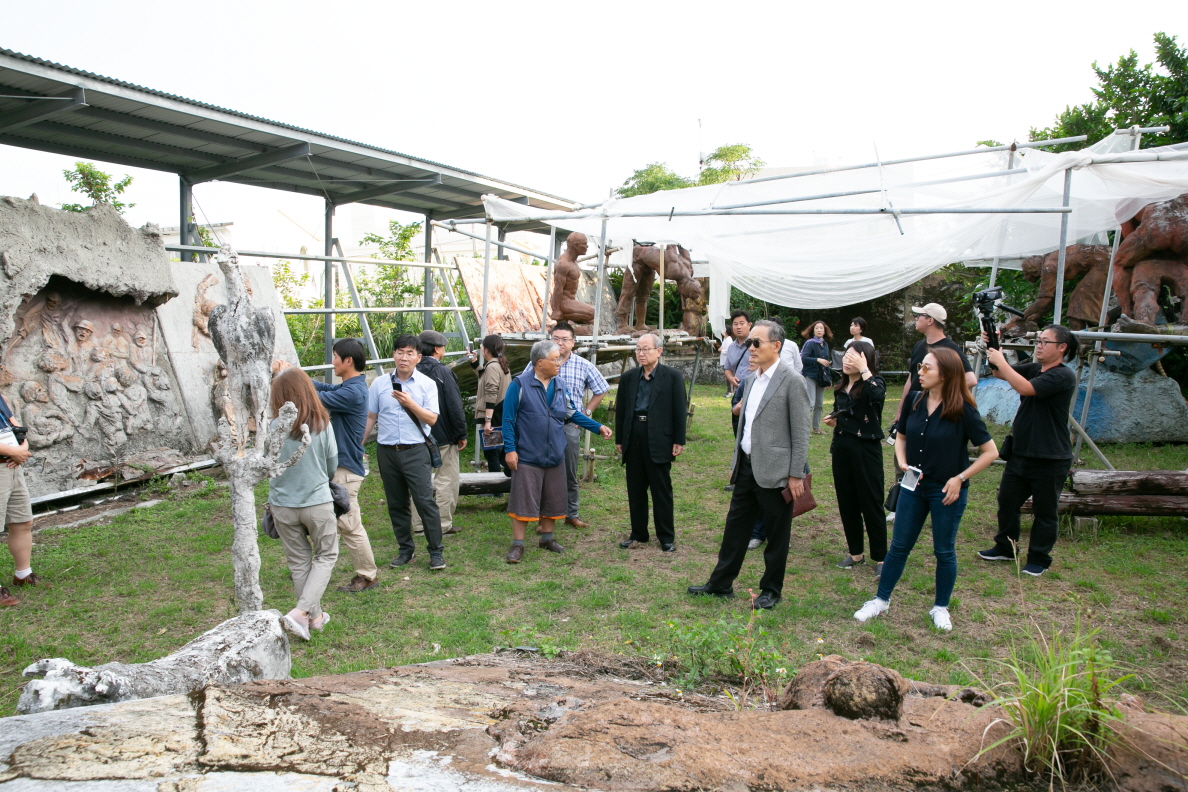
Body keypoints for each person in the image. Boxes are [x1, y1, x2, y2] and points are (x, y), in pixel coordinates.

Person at [853, 347, 998, 632]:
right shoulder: (914, 401)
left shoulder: (963, 410)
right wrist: (903, 461)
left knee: (944, 551)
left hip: (946, 490)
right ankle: (881, 600)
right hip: (913, 488)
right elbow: (902, 436)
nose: (920, 372)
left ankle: (940, 607)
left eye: (927, 368)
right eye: (920, 366)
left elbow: (990, 452)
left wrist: (960, 477)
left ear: (946, 374)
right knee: (898, 547)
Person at [689, 320, 810, 610]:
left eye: (757, 343)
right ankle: (720, 584)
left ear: (776, 346)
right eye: (749, 343)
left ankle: (771, 590)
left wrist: (795, 475)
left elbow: (801, 432)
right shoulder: (752, 378)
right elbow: (743, 424)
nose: (749, 348)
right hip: (746, 467)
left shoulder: (793, 381)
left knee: (776, 534)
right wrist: (736, 460)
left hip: (777, 472)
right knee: (735, 528)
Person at [274, 339, 379, 594]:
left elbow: (314, 396)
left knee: (349, 525)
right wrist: (295, 374)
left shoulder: (353, 392)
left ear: (348, 361)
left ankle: (367, 575)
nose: (332, 362)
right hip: (338, 467)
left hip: (344, 468)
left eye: (334, 357)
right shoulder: (349, 386)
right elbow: (319, 387)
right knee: (327, 523)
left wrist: (289, 377)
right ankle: (310, 573)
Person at [979, 325, 1079, 576]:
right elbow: (1001, 374)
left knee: (1044, 511)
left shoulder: (1063, 376)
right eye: (1039, 341)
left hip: (1050, 457)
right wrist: (994, 345)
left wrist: (1001, 360)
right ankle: (1005, 547)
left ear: (1062, 347)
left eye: (1045, 341)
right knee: (1007, 501)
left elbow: (1025, 388)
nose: (1039, 345)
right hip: (1021, 452)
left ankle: (1039, 558)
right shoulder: (1035, 369)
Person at [504, 340, 612, 563]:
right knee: (523, 499)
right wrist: (510, 450)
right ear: (540, 362)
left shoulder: (560, 384)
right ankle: (518, 544)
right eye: (555, 359)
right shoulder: (519, 385)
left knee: (553, 497)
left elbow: (571, 413)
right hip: (527, 453)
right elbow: (508, 420)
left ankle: (547, 538)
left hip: (554, 453)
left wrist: (598, 426)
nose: (560, 363)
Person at [267, 368, 340, 641]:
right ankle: (301, 613)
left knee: (299, 562)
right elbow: (332, 462)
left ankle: (316, 618)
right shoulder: (322, 423)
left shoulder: (274, 427)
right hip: (317, 500)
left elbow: (267, 463)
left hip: (282, 504)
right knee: (326, 556)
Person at [364, 334, 445, 571]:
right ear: (393, 355)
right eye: (400, 352)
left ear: (418, 358)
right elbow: (371, 416)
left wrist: (410, 403)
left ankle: (436, 552)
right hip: (387, 452)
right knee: (396, 503)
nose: (404, 357)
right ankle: (405, 550)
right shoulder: (379, 383)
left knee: (424, 501)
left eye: (410, 353)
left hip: (415, 450)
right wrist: (359, 444)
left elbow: (432, 418)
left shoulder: (426, 384)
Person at [521, 321, 608, 529]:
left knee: (568, 470)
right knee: (542, 469)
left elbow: (601, 388)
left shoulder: (583, 365)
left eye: (565, 339)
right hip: (540, 427)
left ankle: (571, 513)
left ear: (573, 343)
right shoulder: (538, 363)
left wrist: (586, 413)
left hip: (569, 425)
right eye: (556, 338)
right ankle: (543, 517)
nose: (560, 343)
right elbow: (522, 386)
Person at [615, 334, 687, 553]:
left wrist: (678, 439)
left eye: (646, 349)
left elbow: (679, 410)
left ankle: (666, 536)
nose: (641, 353)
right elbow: (622, 410)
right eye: (638, 349)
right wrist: (620, 439)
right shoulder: (628, 378)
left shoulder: (672, 376)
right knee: (635, 488)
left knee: (661, 488)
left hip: (659, 437)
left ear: (659, 351)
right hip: (634, 434)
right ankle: (638, 533)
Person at [823, 341, 887, 576]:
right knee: (847, 502)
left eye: (854, 357)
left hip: (866, 451)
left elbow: (878, 396)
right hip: (842, 449)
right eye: (846, 356)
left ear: (865, 360)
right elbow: (845, 415)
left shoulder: (874, 382)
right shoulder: (841, 388)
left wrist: (865, 370)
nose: (847, 360)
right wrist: (834, 419)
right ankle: (855, 553)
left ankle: (881, 557)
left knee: (871, 503)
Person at [410, 330, 468, 536]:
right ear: (436, 349)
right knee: (446, 479)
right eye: (443, 346)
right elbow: (454, 405)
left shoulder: (409, 370)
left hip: (415, 435)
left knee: (419, 481)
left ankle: (417, 525)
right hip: (442, 436)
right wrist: (461, 433)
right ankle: (442, 524)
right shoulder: (443, 372)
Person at [896, 303, 977, 423]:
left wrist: (940, 398)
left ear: (930, 320)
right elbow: (911, 379)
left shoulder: (950, 349)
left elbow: (971, 380)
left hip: (936, 413)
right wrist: (901, 410)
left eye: (919, 315)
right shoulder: (918, 346)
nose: (916, 318)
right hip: (914, 409)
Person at [0, 392, 45, 606]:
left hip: (11, 464)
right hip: (5, 460)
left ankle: (23, 575)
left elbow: (13, 423)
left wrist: (22, 448)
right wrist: (10, 450)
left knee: (22, 521)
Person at [475, 334, 512, 476]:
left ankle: (495, 487)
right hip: (501, 410)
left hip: (493, 412)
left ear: (485, 349)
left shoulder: (492, 366)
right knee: (498, 450)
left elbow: (491, 392)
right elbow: (485, 378)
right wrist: (474, 362)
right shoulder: (500, 363)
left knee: (492, 452)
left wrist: (487, 420)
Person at [800, 320, 833, 434]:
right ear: (813, 330)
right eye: (817, 328)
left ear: (825, 331)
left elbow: (826, 363)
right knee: (811, 403)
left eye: (821, 328)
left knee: (819, 404)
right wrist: (817, 360)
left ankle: (816, 428)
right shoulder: (810, 343)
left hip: (821, 377)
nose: (819, 330)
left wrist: (829, 379)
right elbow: (803, 358)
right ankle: (804, 429)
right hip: (810, 375)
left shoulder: (825, 345)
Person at [722, 310, 753, 408]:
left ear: (749, 325)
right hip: (738, 392)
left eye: (742, 323)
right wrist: (731, 378)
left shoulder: (756, 344)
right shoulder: (731, 347)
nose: (738, 327)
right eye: (735, 324)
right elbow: (727, 368)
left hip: (754, 390)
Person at [718, 321, 736, 395]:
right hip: (724, 360)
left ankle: (730, 391)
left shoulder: (729, 339)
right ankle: (729, 390)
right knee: (727, 376)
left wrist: (722, 350)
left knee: (729, 376)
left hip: (727, 360)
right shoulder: (725, 339)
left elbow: (729, 350)